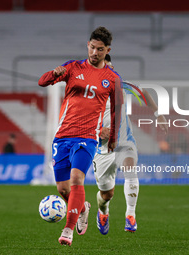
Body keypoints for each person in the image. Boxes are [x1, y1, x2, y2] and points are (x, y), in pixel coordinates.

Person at [38, 27, 123, 246]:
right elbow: (42, 82)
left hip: (87, 137)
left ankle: (67, 230)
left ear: (108, 50)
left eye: (100, 49)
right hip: (63, 135)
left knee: (77, 179)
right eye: (92, 47)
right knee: (63, 189)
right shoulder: (73, 67)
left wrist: (113, 136)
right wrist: (54, 74)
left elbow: (116, 110)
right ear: (88, 45)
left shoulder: (112, 78)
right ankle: (83, 207)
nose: (95, 52)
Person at [93, 54, 168, 235]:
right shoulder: (89, 92)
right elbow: (79, 120)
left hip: (124, 143)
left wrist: (159, 115)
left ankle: (130, 215)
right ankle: (103, 212)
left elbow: (145, 94)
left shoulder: (122, 85)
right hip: (101, 150)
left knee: (130, 169)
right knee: (106, 195)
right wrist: (98, 132)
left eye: (109, 67)